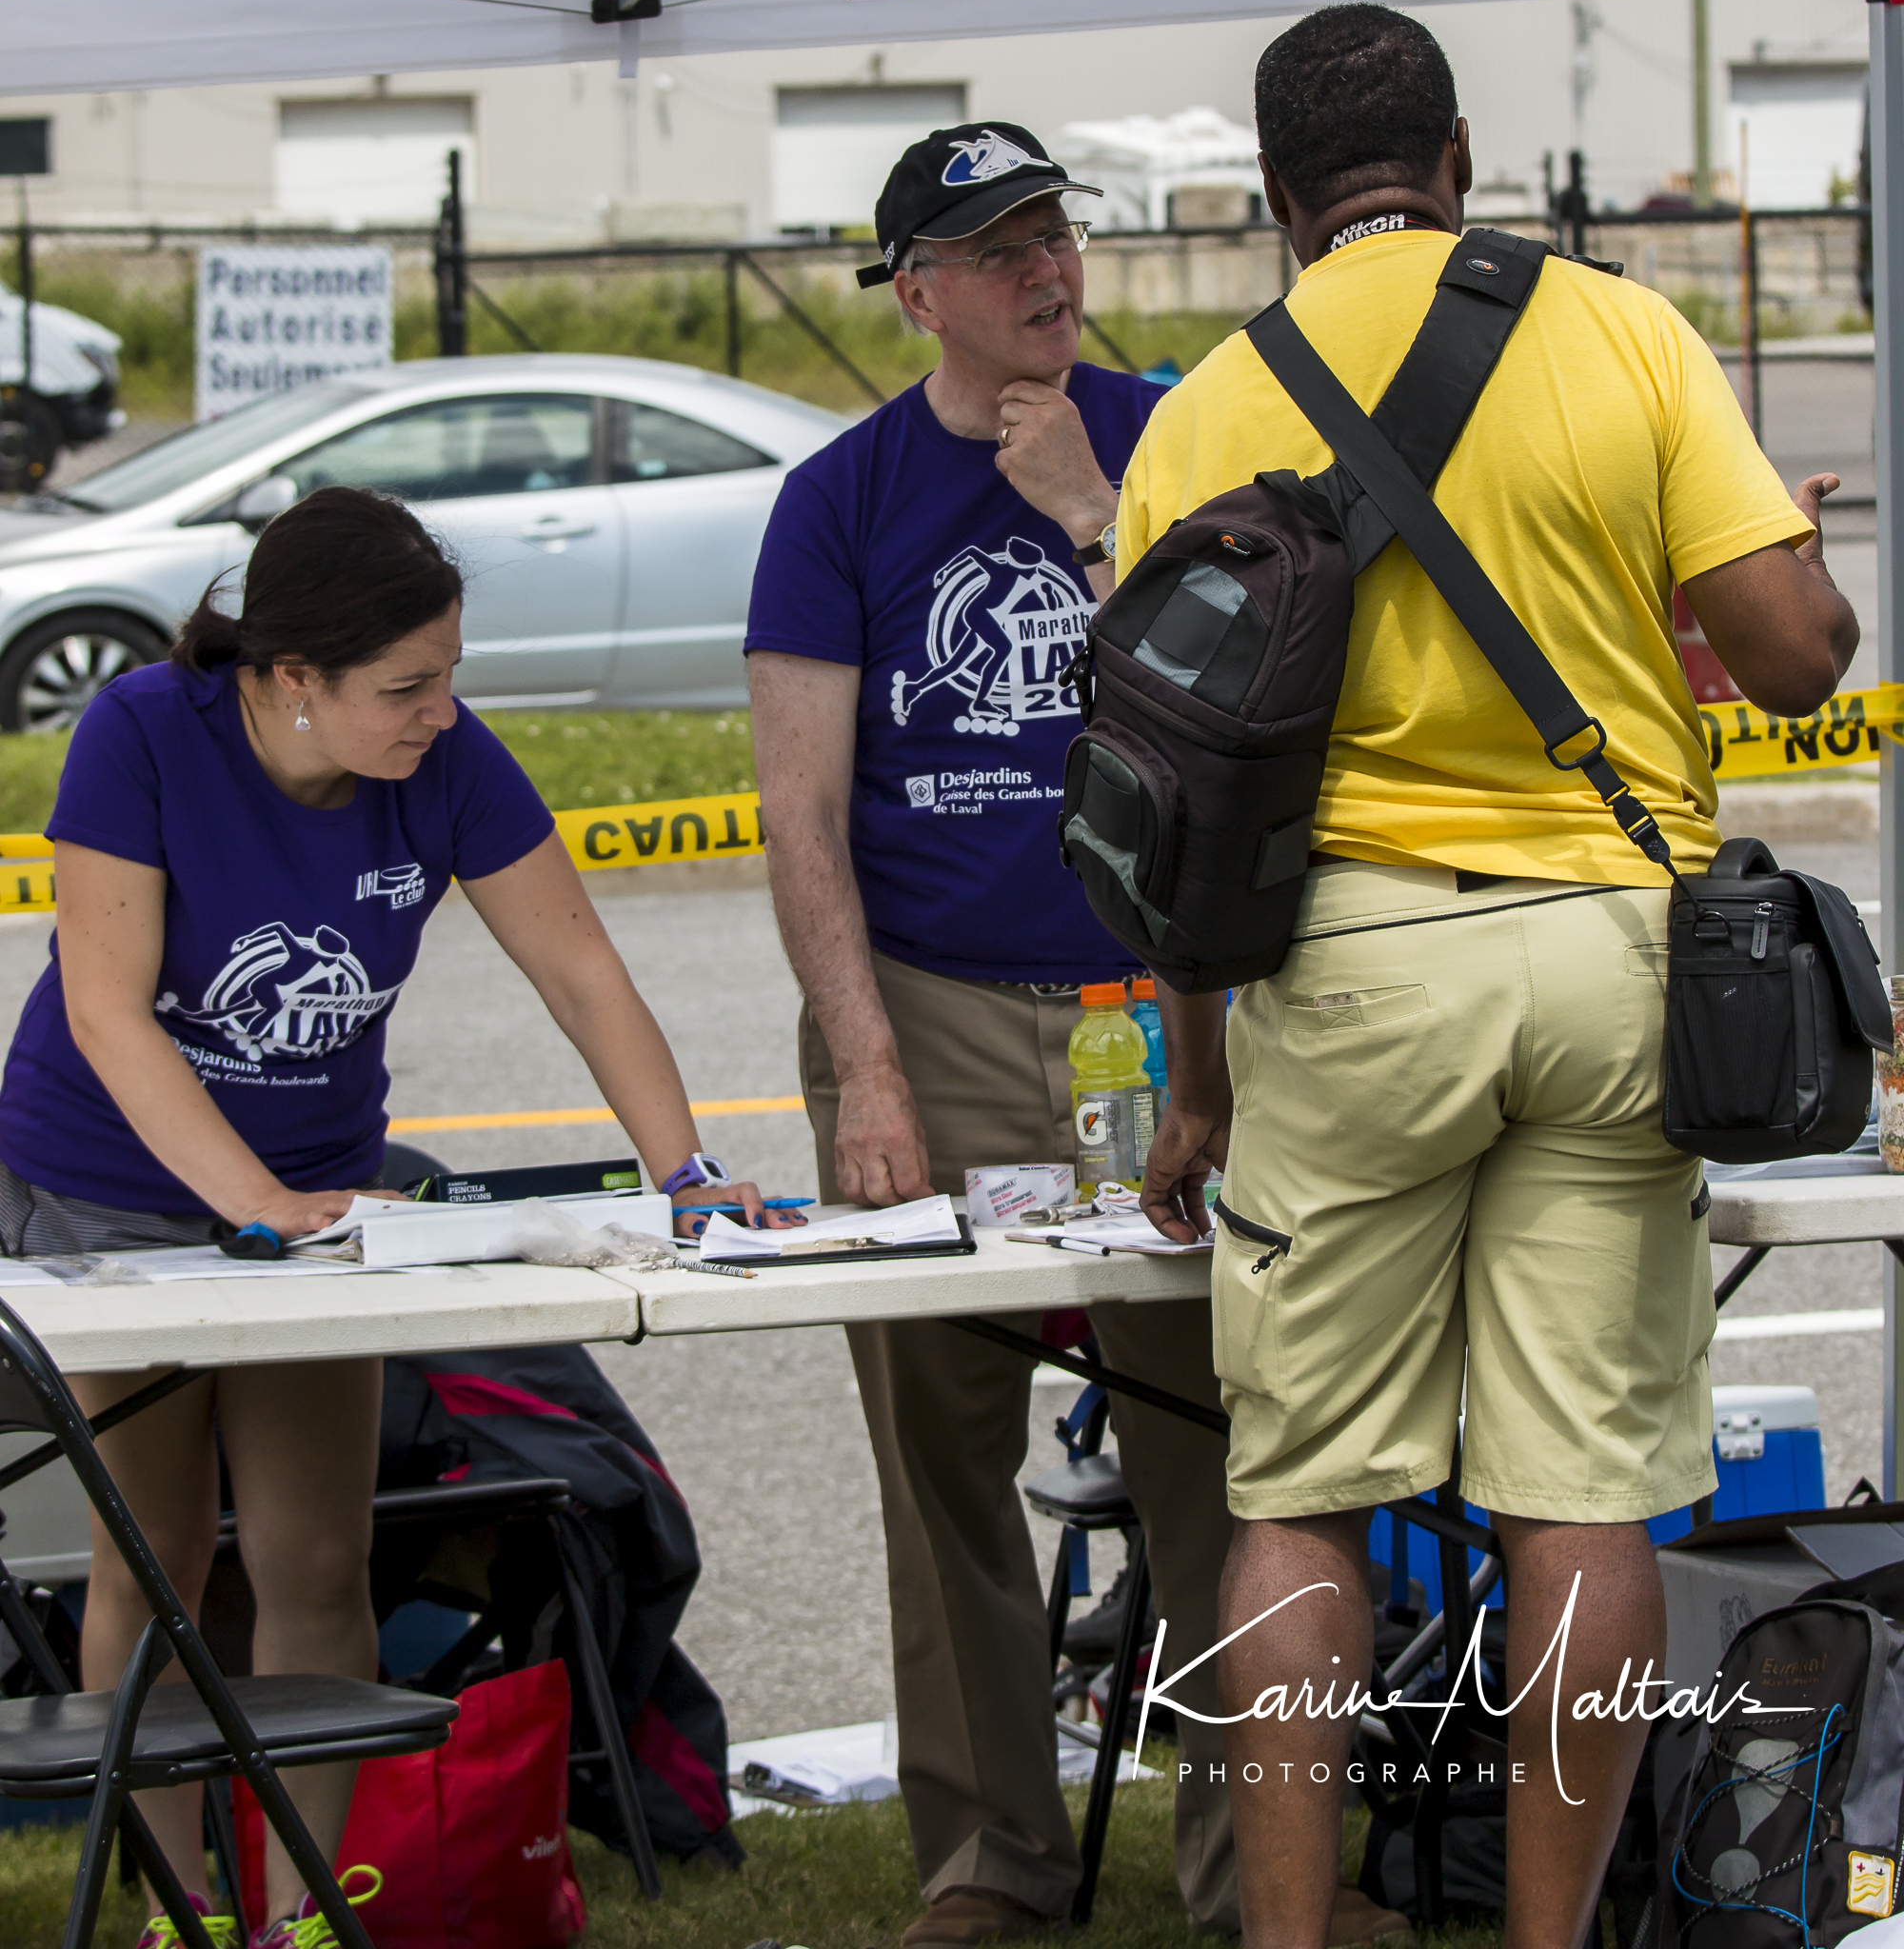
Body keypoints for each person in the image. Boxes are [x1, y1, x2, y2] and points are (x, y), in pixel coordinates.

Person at [1128, 6, 1859, 1949]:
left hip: (1346, 964)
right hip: (1619, 958)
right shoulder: (1619, 330)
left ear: (1278, 205)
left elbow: (1179, 816)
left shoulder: (1197, 412)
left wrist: (1194, 1089)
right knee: (1578, 1499)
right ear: (1459, 162)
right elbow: (1795, 651)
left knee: (1294, 1499)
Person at [0, 486, 783, 1949]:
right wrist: (254, 1213)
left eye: (452, 677)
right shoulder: (142, 731)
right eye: (406, 688)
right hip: (113, 1185)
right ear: (289, 679)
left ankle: (301, 1912)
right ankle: (179, 1908)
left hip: (313, 1195)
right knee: (157, 1558)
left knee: (313, 1557)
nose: (440, 712)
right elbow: (108, 1014)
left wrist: (685, 1174)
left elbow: (585, 973)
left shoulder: (448, 759)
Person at [746, 120, 1244, 1947]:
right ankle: (988, 1865)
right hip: (939, 1013)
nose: (1048, 267)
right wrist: (864, 1065)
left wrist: (1091, 521)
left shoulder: (1175, 424)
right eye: (1000, 244)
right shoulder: (842, 499)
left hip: (1157, 1009)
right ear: (918, 294)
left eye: (1059, 231)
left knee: (1218, 1441)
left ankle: (1250, 1869)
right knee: (938, 1449)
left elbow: (1232, 706)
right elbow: (800, 814)